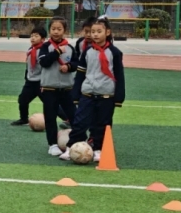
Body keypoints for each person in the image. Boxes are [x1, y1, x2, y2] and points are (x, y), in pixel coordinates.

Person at [60, 16, 125, 162]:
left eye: (99, 31)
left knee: (102, 124)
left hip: (106, 95)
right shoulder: (87, 51)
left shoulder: (115, 52)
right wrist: (76, 94)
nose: (95, 34)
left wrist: (119, 97)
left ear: (107, 32)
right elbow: (81, 73)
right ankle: (71, 147)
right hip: (87, 94)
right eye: (92, 31)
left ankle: (98, 149)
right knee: (79, 122)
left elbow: (119, 76)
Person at [38, 16, 77, 156]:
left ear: (64, 31)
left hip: (67, 89)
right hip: (49, 88)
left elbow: (76, 64)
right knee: (50, 117)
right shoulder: (45, 47)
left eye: (59, 29)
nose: (56, 32)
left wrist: (69, 66)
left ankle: (77, 141)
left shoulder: (70, 48)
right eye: (53, 29)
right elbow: (44, 62)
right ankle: (52, 144)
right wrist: (57, 52)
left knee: (74, 116)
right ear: (49, 30)